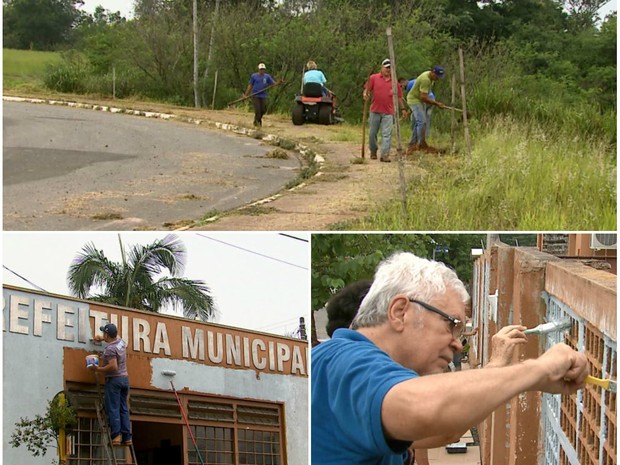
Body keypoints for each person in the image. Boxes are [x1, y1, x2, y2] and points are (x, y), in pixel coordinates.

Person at [311, 251, 589, 465]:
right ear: (399, 312)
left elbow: (442, 431)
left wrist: (497, 368)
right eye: (451, 324)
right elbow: (423, 407)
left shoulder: (347, 367)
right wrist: (538, 370)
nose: (457, 343)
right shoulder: (345, 362)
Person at [88, 323, 132, 446]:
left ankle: (116, 436)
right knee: (123, 409)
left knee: (113, 408)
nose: (103, 335)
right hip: (124, 380)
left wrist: (97, 369)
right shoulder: (121, 342)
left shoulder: (110, 350)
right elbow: (115, 338)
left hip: (114, 380)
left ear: (107, 334)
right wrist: (102, 339)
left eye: (104, 333)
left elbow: (113, 366)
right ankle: (127, 437)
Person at [363, 59, 409, 163]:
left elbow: (399, 97)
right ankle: (373, 151)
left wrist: (403, 109)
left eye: (390, 68)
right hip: (375, 110)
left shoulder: (394, 82)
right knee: (372, 133)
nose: (388, 70)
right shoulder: (373, 78)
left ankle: (385, 155)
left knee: (386, 134)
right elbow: (367, 89)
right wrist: (365, 94)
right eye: (386, 67)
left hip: (388, 112)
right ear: (382, 67)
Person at [406, 66, 446, 154]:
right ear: (432, 72)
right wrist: (437, 103)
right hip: (414, 100)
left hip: (419, 100)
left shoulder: (430, 78)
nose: (437, 79)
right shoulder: (426, 80)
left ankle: (413, 144)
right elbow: (423, 97)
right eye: (437, 76)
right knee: (422, 122)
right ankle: (421, 143)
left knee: (419, 123)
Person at [244, 63, 276, 127]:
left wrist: (278, 83)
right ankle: (257, 123)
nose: (262, 71)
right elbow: (250, 85)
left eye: (263, 69)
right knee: (258, 110)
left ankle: (257, 121)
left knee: (263, 110)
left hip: (263, 95)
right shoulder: (254, 76)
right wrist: (246, 94)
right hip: (255, 95)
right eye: (261, 69)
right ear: (258, 69)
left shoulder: (267, 76)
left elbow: (273, 83)